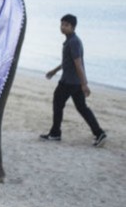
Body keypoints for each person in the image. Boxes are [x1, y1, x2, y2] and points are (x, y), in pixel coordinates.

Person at [40, 14, 107, 146]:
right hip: (74, 82)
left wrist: (85, 84)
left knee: (58, 102)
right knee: (82, 108)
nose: (63, 27)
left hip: (69, 82)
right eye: (62, 24)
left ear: (73, 27)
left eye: (66, 25)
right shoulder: (70, 40)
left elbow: (78, 64)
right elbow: (67, 62)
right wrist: (54, 71)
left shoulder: (74, 42)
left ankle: (55, 133)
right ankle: (99, 133)